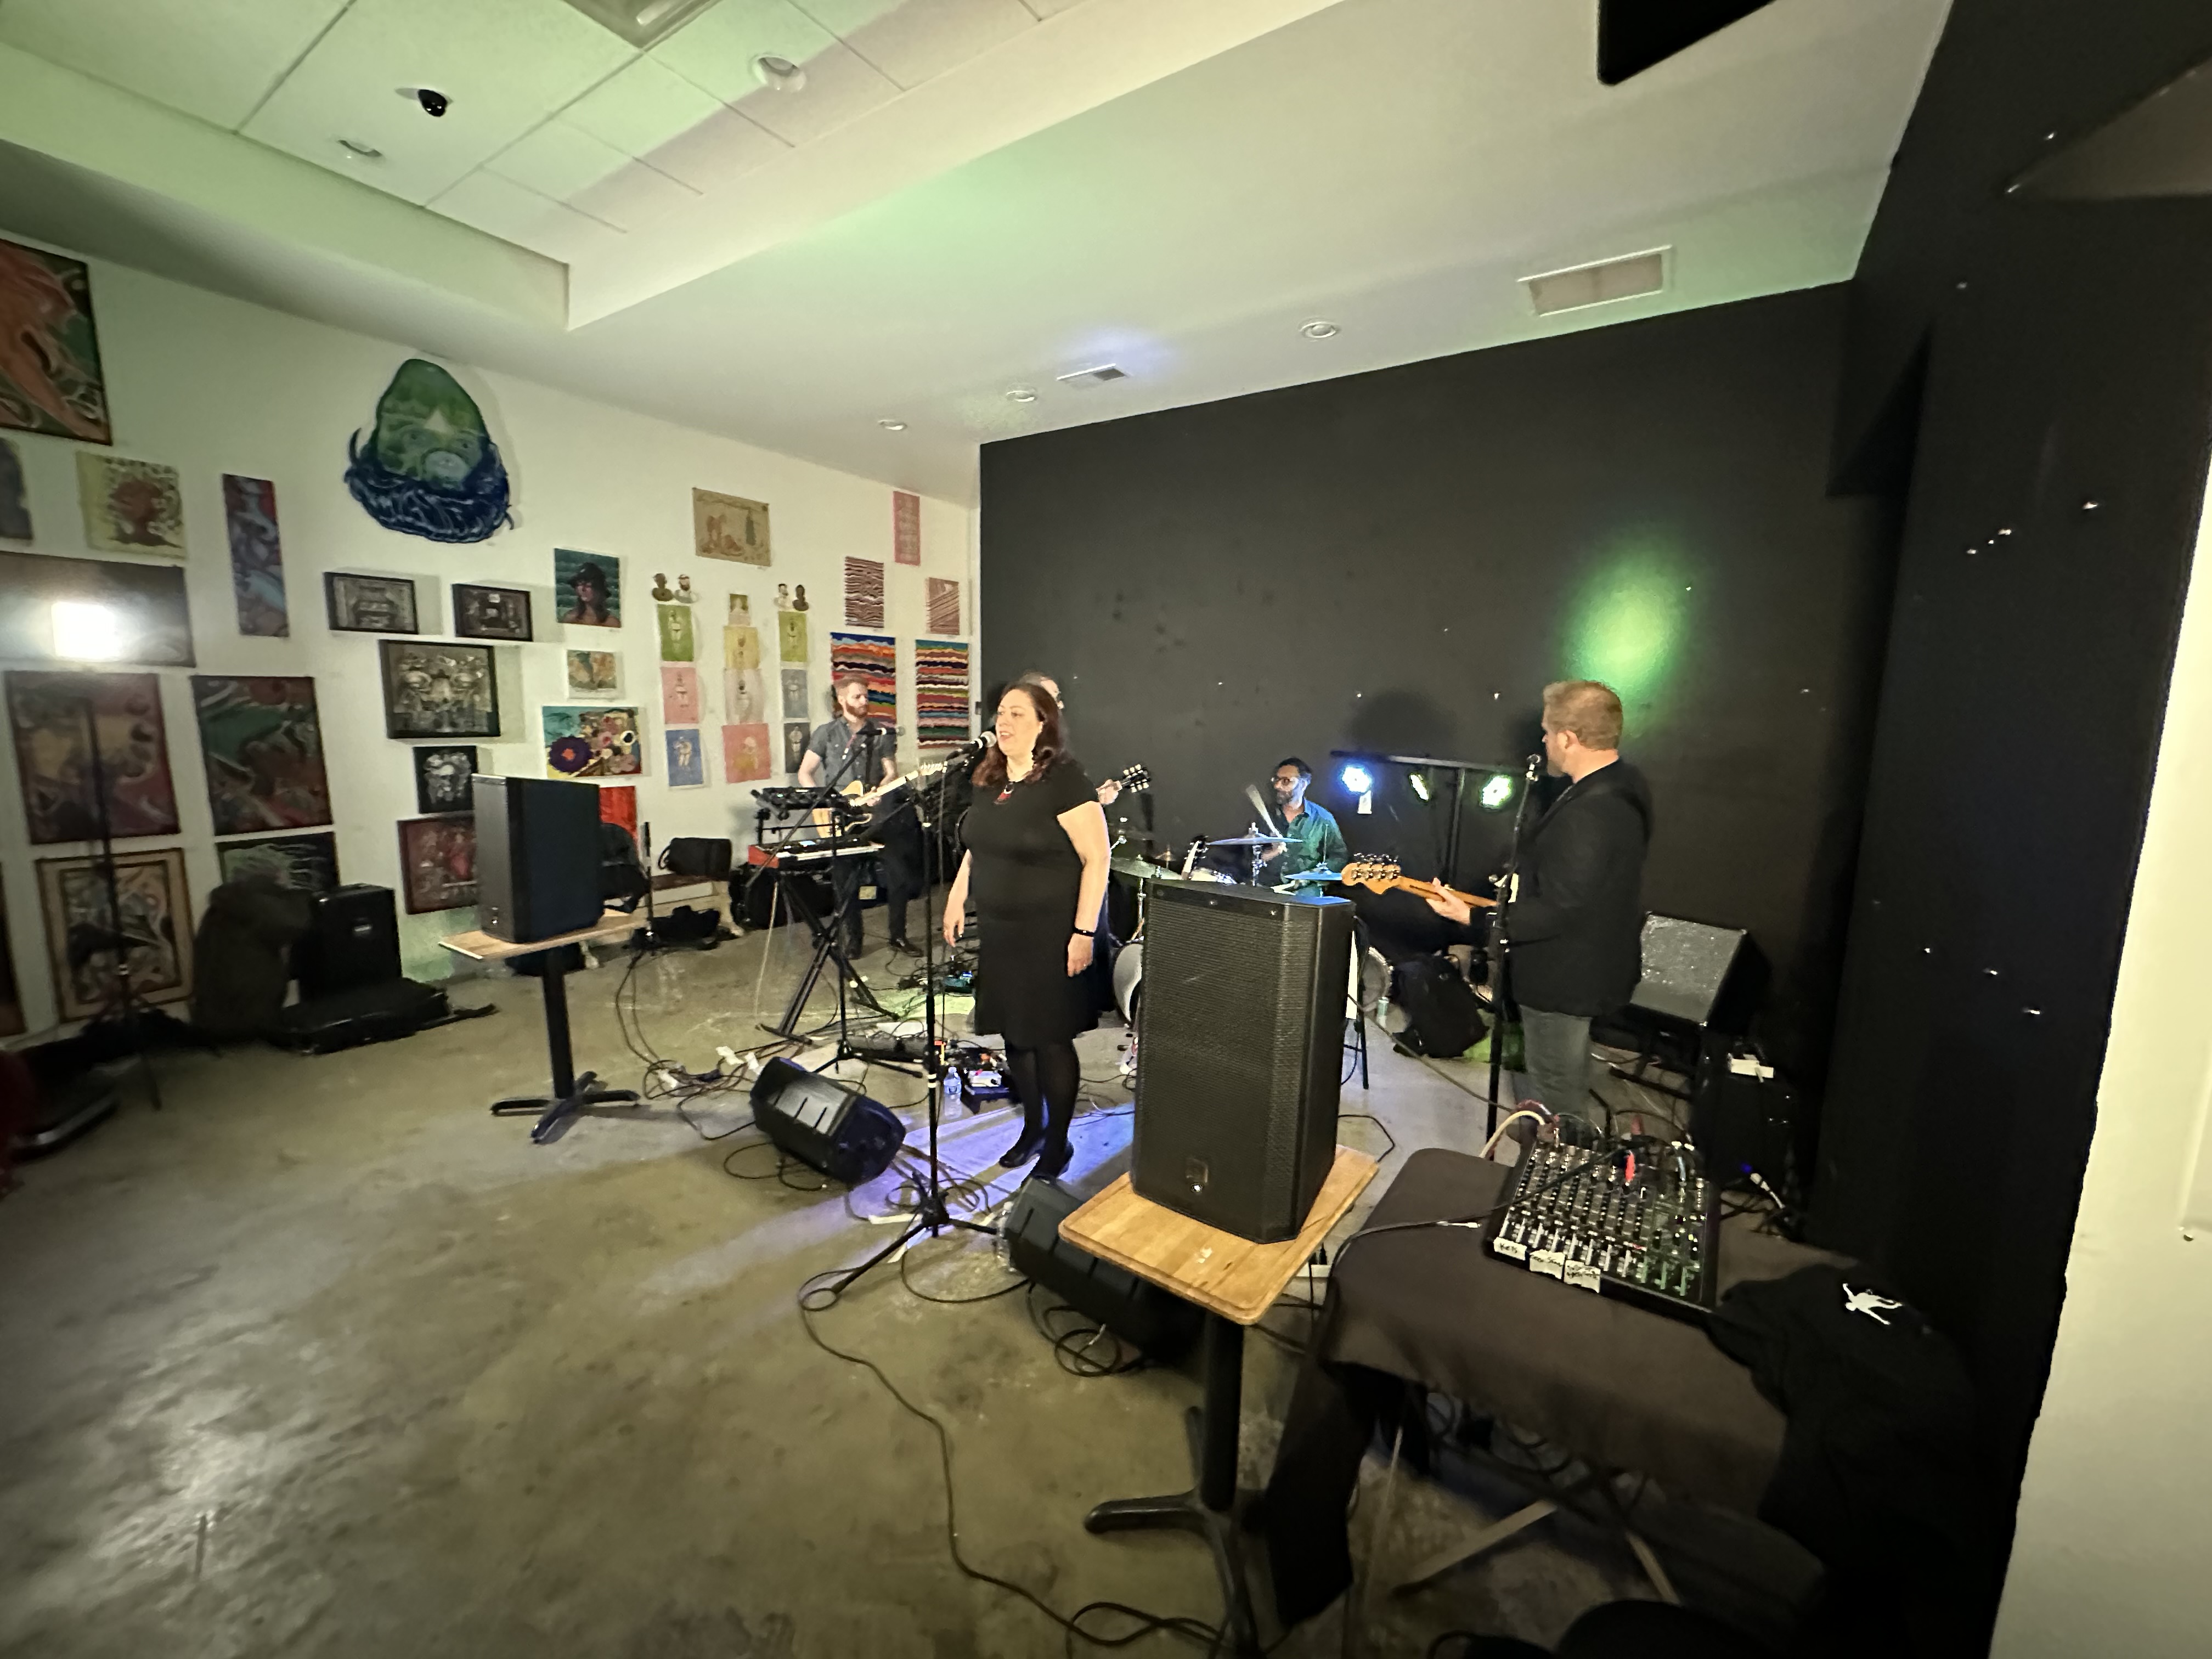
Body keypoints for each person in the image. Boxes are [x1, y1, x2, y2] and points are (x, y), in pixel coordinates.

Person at [1424, 680, 1651, 1118]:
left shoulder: (1590, 812)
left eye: (1547, 733)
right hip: (1590, 968)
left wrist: (1475, 918)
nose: (1544, 742)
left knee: (1558, 1095)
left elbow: (1559, 909)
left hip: (1563, 979)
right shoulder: (1625, 783)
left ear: (1568, 738)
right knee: (1566, 1079)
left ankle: (1561, 1157)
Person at [944, 683, 1111, 1181]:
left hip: (1052, 932)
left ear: (1044, 724)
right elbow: (978, 844)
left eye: (1018, 714)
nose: (1005, 722)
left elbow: (1097, 859)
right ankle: (1033, 1129)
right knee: (1016, 1036)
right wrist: (957, 895)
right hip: (1002, 932)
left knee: (1050, 1039)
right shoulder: (989, 778)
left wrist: (1083, 932)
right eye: (1001, 713)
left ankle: (1058, 1143)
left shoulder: (1065, 782)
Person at [798, 673, 916, 956]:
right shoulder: (826, 733)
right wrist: (825, 803)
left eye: (866, 696)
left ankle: (898, 936)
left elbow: (891, 771)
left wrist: (881, 789)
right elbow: (805, 773)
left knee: (899, 876)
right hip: (842, 817)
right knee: (845, 883)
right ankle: (853, 942)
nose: (864, 701)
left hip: (878, 816)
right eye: (857, 696)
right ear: (842, 700)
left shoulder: (880, 733)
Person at [1256, 758, 1348, 882]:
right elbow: (1251, 860)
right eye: (1276, 780)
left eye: (1286, 781)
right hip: (1269, 886)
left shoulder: (1323, 819)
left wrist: (1314, 874)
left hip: (1305, 888)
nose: (1277, 786)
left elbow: (1339, 856)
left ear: (1303, 785)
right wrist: (1272, 853)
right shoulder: (1266, 815)